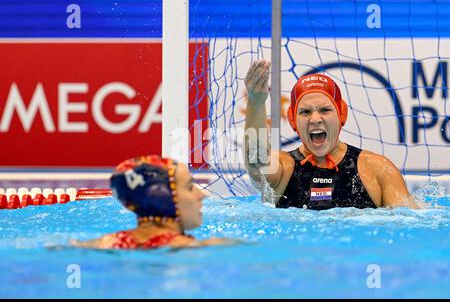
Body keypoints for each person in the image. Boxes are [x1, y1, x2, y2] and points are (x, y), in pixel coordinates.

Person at [244, 60, 417, 210]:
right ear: (292, 120)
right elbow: (256, 164)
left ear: (342, 114)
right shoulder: (284, 168)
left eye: (325, 110)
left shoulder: (377, 169)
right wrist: (255, 103)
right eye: (305, 112)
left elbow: (408, 226)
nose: (315, 119)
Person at [72, 155, 233, 249]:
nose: (201, 195)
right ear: (162, 199)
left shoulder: (104, 244)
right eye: (190, 187)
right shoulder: (198, 248)